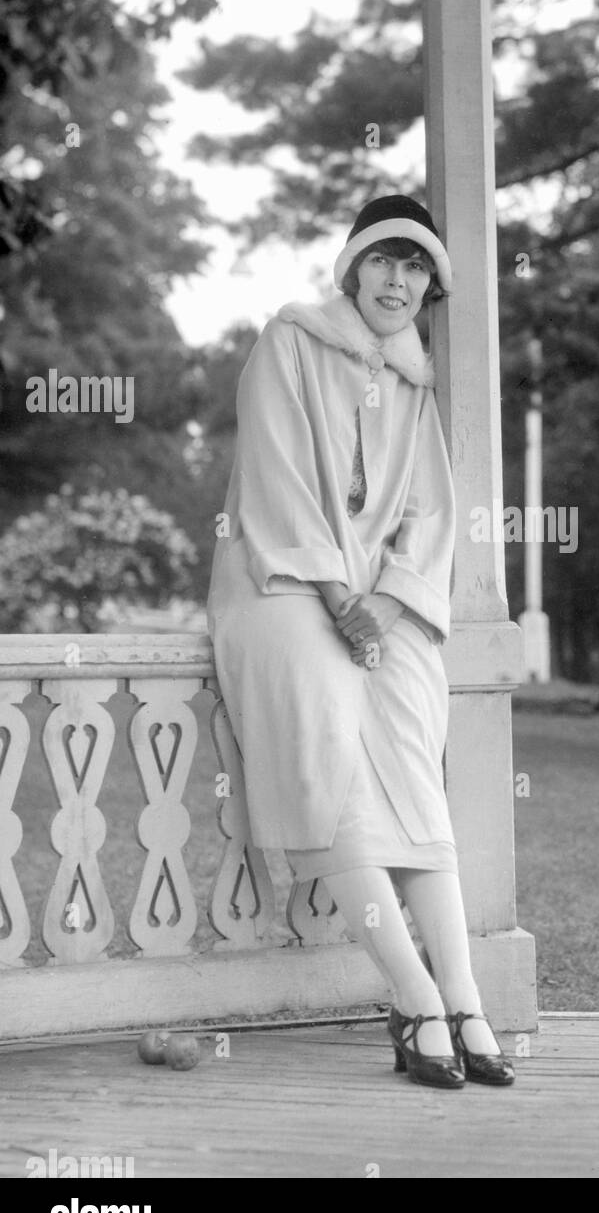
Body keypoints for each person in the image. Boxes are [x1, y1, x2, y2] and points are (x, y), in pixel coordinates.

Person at [206, 195, 514, 1089]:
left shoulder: (416, 383)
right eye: (384, 260)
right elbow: (274, 481)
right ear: (352, 268)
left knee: (416, 765)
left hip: (382, 604)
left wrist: (385, 601)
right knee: (331, 755)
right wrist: (341, 595)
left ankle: (465, 1002)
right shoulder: (289, 343)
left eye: (416, 268)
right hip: (279, 584)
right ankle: (414, 999)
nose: (398, 280)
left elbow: (429, 516)